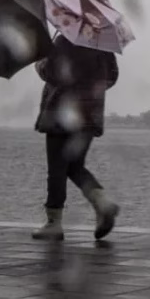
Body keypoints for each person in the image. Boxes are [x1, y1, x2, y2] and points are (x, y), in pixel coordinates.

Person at [32, 35, 120, 241]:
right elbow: (112, 77)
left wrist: (40, 64)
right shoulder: (102, 44)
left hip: (61, 114)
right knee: (74, 166)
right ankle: (102, 203)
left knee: (57, 169)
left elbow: (53, 72)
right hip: (90, 115)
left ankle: (54, 223)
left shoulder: (64, 40)